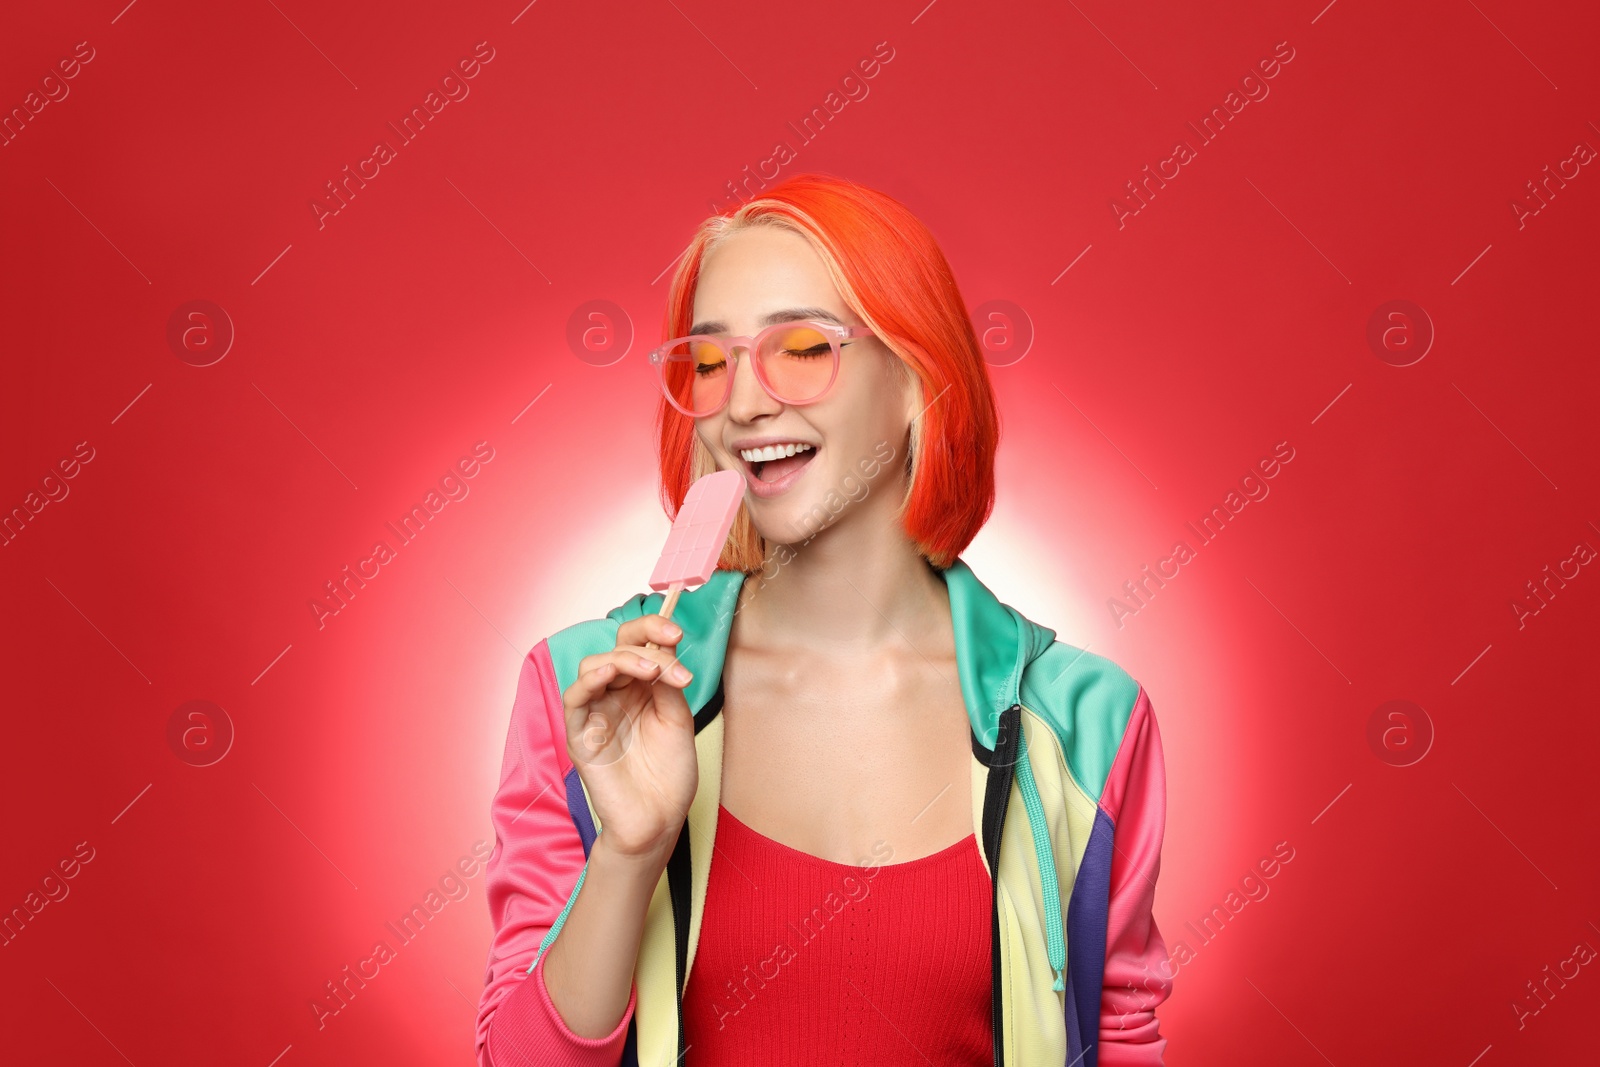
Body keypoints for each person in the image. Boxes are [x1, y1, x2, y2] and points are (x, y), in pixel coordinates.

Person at [474, 173, 1171, 1066]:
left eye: (802, 347)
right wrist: (629, 851)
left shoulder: (1086, 722)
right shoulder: (585, 691)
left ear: (920, 376)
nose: (744, 402)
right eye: (713, 362)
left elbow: (1117, 1037)